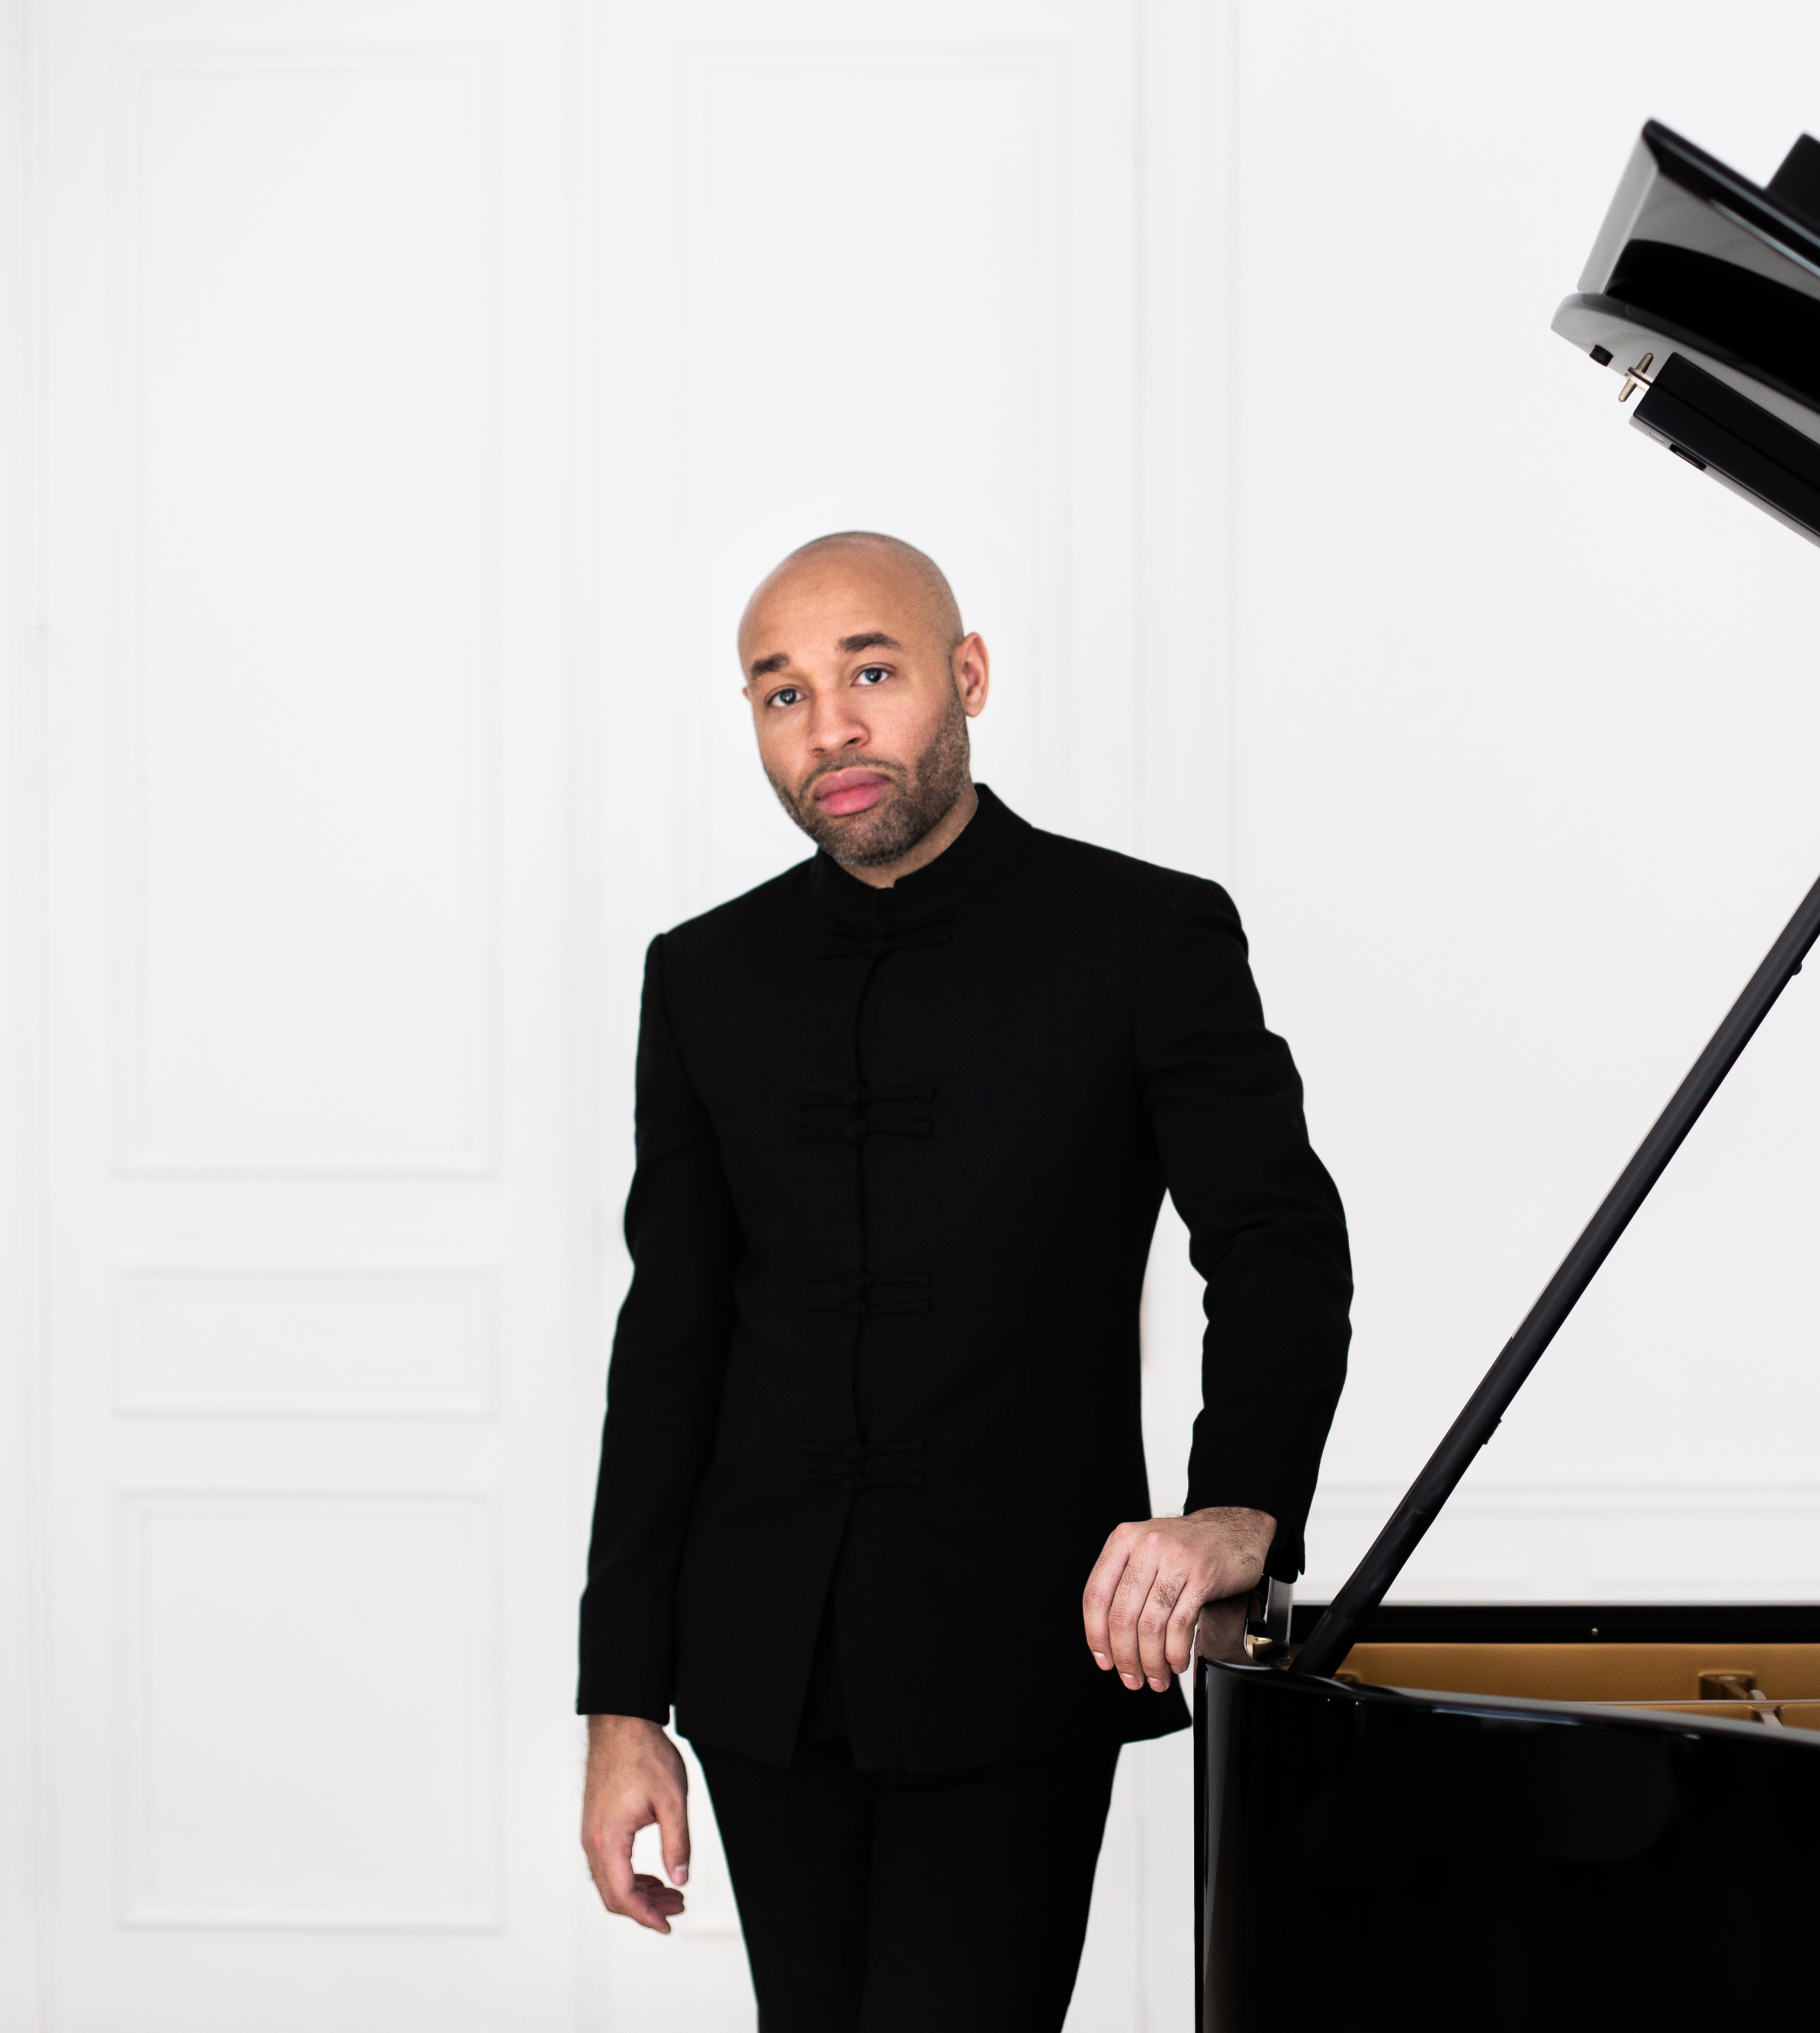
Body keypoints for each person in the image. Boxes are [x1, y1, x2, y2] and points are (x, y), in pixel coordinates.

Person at [574, 532, 1350, 2030]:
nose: (833, 730)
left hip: (1019, 1639)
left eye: (871, 673)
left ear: (965, 677)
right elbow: (667, 1341)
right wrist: (623, 1703)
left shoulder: (1142, 935)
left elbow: (1271, 1240)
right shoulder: (702, 975)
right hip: (760, 1665)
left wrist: (1235, 1511)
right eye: (782, 695)